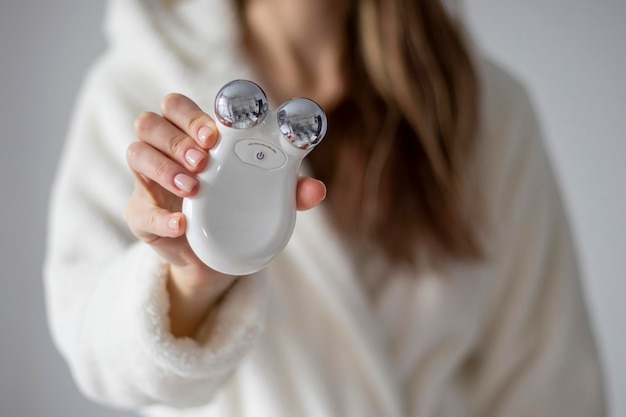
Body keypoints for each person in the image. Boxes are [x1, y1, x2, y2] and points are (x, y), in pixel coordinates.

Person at [43, 0, 606, 416]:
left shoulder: (487, 111)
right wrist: (190, 283)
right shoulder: (137, 92)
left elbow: (550, 384)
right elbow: (95, 352)